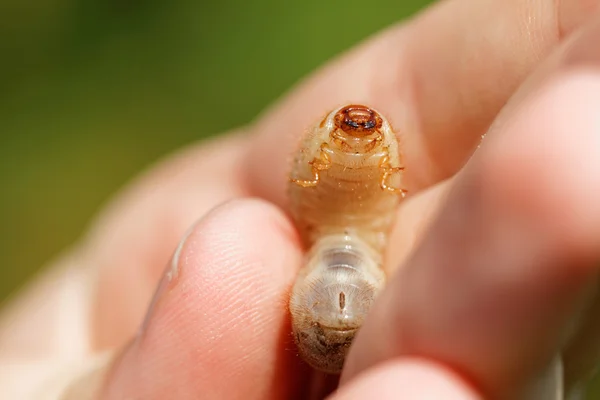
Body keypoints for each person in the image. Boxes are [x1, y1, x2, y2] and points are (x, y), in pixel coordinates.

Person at [2, 0, 600, 398]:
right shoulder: (354, 217)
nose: (359, 129)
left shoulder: (331, 202)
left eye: (361, 138)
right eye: (346, 138)